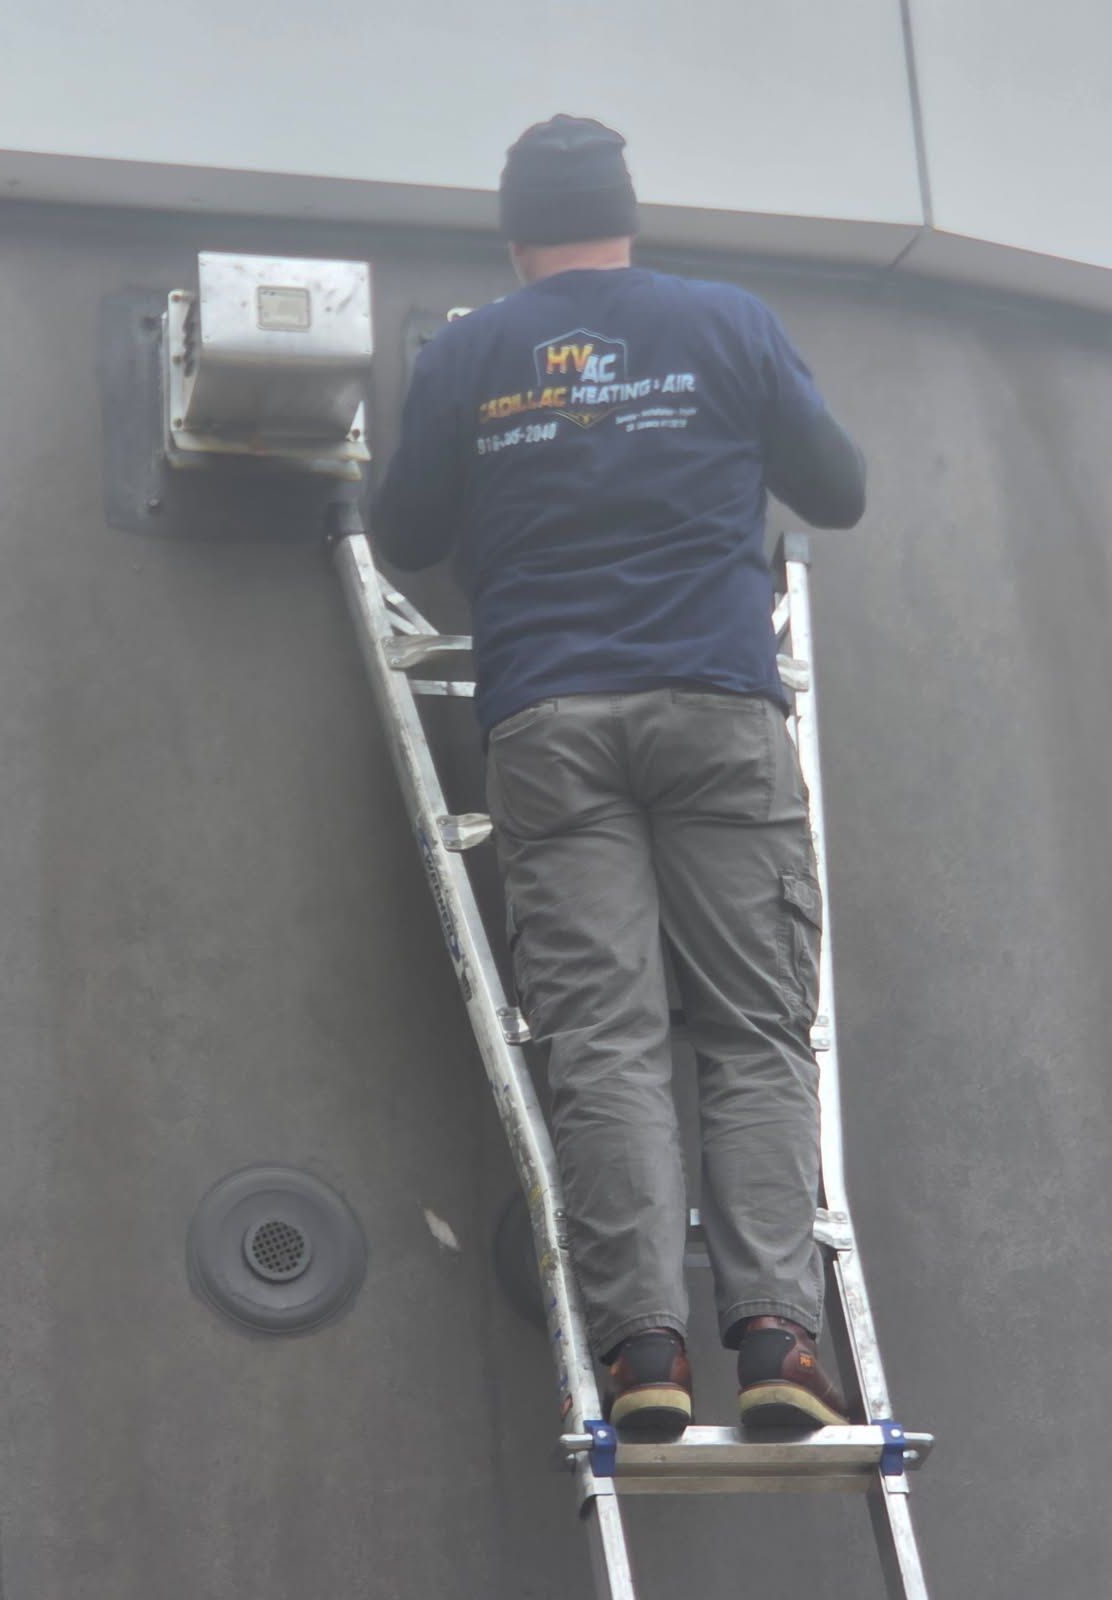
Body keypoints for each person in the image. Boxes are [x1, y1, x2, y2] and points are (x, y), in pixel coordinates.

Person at [372, 114, 865, 1442]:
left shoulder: (475, 349)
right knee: (756, 1031)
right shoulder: (726, 322)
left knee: (605, 1040)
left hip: (551, 719)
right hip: (716, 707)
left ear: (518, 236)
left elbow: (402, 527)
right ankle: (776, 1338)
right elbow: (841, 488)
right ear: (627, 218)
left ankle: (643, 1351)